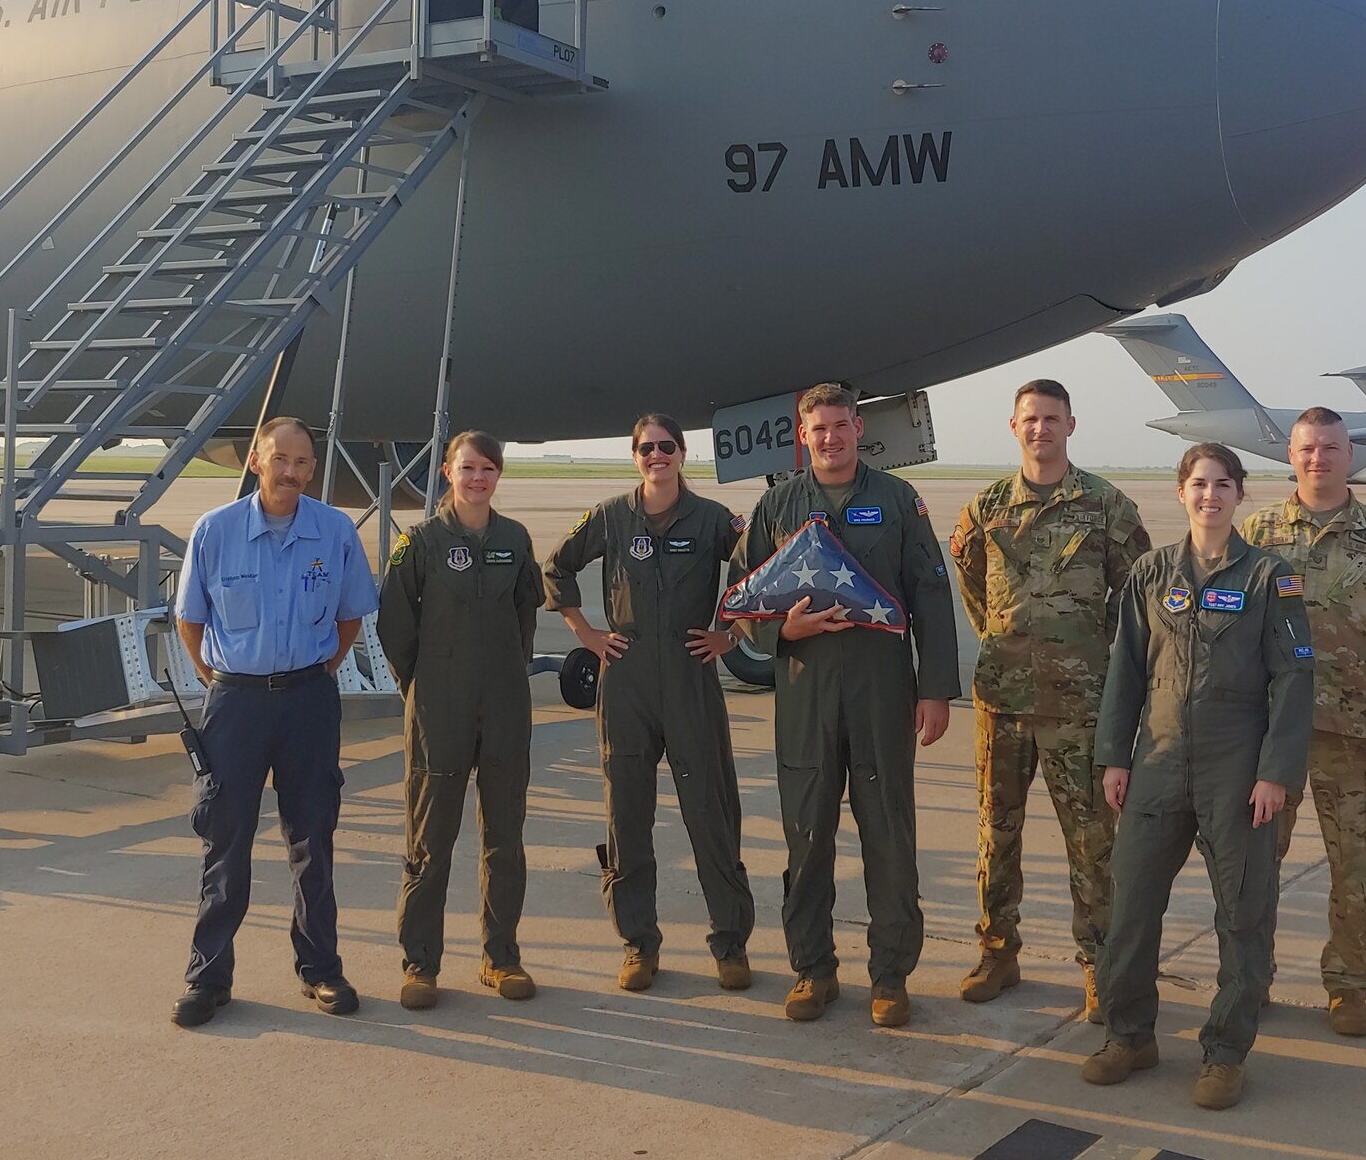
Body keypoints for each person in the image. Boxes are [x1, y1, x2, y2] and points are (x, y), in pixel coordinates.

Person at [1083, 442, 1312, 1111]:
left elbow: (1295, 679)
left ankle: (1225, 1052)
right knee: (1128, 910)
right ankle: (1129, 1035)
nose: (1209, 495)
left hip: (1235, 769)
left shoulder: (1272, 577)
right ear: (1180, 493)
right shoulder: (1151, 574)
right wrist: (1114, 756)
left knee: (1243, 913)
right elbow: (1125, 671)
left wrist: (1275, 773)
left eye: (1222, 484)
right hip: (1155, 761)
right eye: (1197, 484)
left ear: (1240, 494)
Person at [732, 383, 958, 1028]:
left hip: (881, 691)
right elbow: (743, 598)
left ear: (859, 428)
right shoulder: (777, 504)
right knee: (806, 837)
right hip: (806, 693)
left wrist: (934, 688)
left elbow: (930, 594)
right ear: (802, 436)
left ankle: (890, 976)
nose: (830, 438)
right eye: (818, 429)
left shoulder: (896, 501)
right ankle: (813, 971)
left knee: (888, 835)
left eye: (840, 425)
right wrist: (782, 634)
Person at [949, 379, 1150, 1019]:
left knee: (1092, 843)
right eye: (1030, 419)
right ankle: (998, 952)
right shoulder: (984, 508)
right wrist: (1004, 643)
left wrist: (1094, 660)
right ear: (1013, 427)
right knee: (995, 835)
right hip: (1001, 703)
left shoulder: (1106, 507)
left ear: (1071, 425)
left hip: (1079, 708)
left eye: (1052, 419)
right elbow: (973, 585)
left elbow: (1138, 598)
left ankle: (1099, 966)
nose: (1041, 429)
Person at [171, 416, 378, 1028]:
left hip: (308, 701)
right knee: (225, 839)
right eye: (280, 459)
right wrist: (224, 684)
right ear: (257, 461)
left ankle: (321, 969)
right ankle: (208, 978)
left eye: (303, 463)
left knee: (313, 837)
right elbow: (191, 620)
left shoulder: (335, 531)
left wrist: (311, 675)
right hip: (235, 703)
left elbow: (348, 619)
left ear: (313, 469)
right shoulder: (216, 531)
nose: (292, 471)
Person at [1239, 406, 1366, 1037]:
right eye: (1307, 448)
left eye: (1329, 447)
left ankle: (1350, 987)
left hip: (1352, 736)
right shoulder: (1257, 531)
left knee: (1355, 869)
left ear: (1349, 454)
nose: (1318, 458)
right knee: (1254, 867)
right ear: (1290, 456)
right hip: (1269, 736)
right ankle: (1250, 977)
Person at [543, 414, 754, 992]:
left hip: (691, 675)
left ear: (682, 453)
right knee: (627, 812)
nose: (656, 455)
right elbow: (557, 565)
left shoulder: (712, 519)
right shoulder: (611, 517)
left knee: (710, 811)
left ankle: (730, 942)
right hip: (627, 678)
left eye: (666, 447)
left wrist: (729, 635)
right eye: (646, 448)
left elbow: (760, 567)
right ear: (635, 455)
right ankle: (638, 942)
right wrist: (585, 634)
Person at [377, 431, 545, 1009]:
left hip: (503, 704)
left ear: (498, 475)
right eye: (467, 468)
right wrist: (422, 685)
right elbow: (395, 626)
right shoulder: (420, 542)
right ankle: (420, 964)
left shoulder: (515, 539)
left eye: (488, 469)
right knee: (431, 839)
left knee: (506, 838)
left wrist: (500, 674)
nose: (478, 478)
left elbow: (525, 613)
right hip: (437, 708)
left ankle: (502, 958)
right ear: (447, 472)